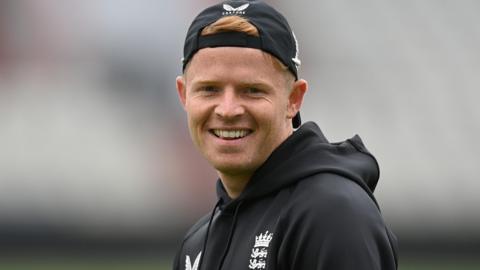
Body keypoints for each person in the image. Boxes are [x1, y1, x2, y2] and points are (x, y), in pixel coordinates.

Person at [173, 1, 398, 269]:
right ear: (184, 95)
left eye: (252, 90)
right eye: (209, 89)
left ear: (294, 99)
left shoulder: (332, 214)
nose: (228, 109)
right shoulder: (197, 243)